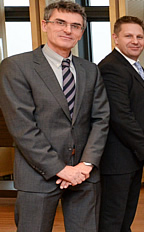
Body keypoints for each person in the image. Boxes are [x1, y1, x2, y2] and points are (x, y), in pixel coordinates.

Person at [0, 1, 109, 231]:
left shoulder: (90, 70)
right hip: (37, 176)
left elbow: (101, 120)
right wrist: (61, 169)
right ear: (44, 25)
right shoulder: (16, 67)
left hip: (84, 175)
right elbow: (22, 128)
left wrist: (85, 165)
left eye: (76, 26)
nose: (68, 30)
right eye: (60, 23)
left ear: (81, 32)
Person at [98, 15, 144, 232]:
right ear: (116, 38)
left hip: (132, 157)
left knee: (125, 218)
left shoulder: (135, 66)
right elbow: (121, 117)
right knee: (113, 220)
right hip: (118, 159)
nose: (135, 41)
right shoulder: (111, 67)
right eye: (129, 36)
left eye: (139, 36)